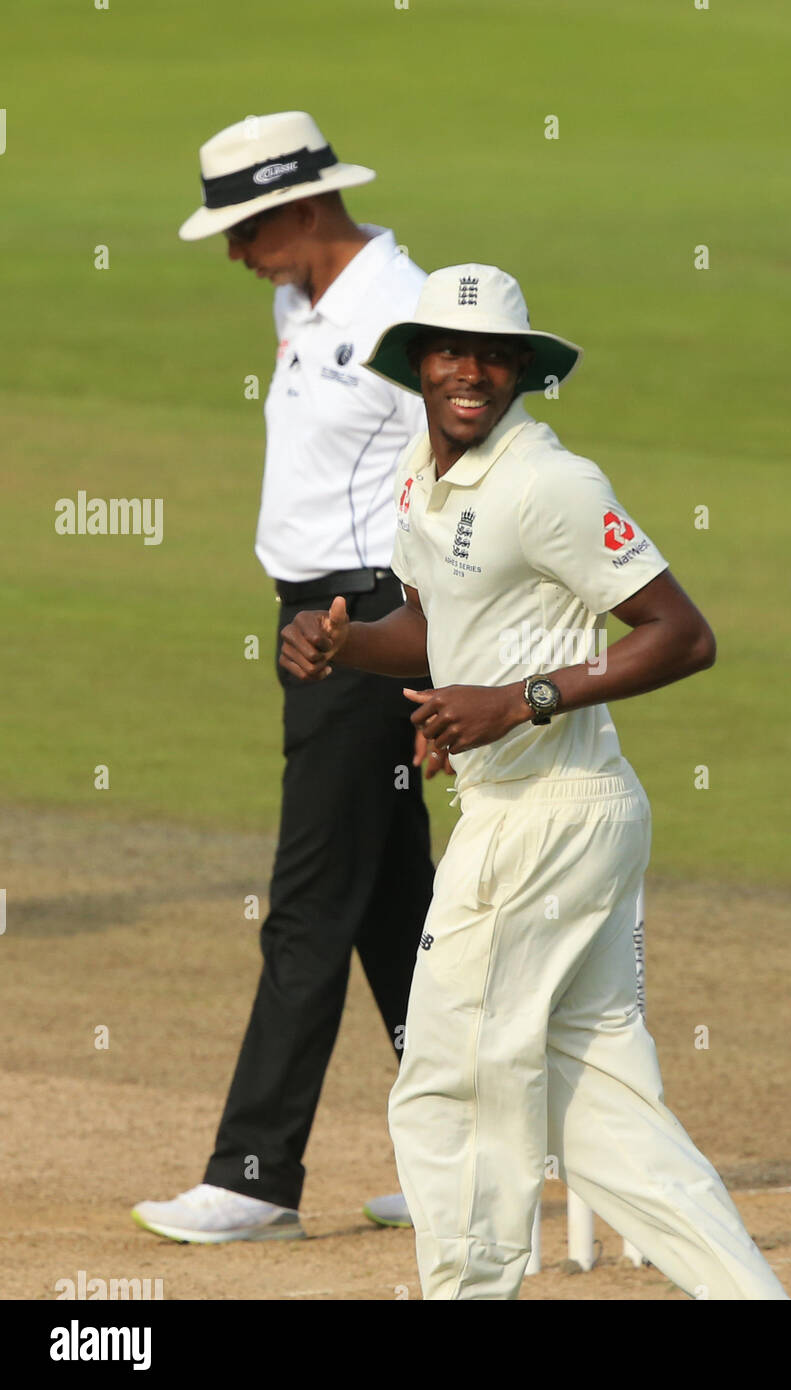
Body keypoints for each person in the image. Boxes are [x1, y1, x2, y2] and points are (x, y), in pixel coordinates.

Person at [278, 263, 789, 1299]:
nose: (472, 373)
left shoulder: (548, 480)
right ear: (417, 363)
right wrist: (347, 646)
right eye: (453, 353)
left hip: (547, 819)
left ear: (522, 371)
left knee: (452, 1088)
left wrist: (518, 702)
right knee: (603, 1118)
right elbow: (432, 627)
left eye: (496, 356)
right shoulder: (421, 477)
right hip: (544, 815)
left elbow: (682, 636)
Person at [132, 111, 436, 1244]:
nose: (232, 251)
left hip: (365, 629)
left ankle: (255, 1174)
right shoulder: (298, 300)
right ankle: (479, 1156)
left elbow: (463, 463)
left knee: (308, 904)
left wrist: (412, 630)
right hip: (308, 619)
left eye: (244, 227)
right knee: (395, 908)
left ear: (303, 209)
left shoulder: (403, 307)